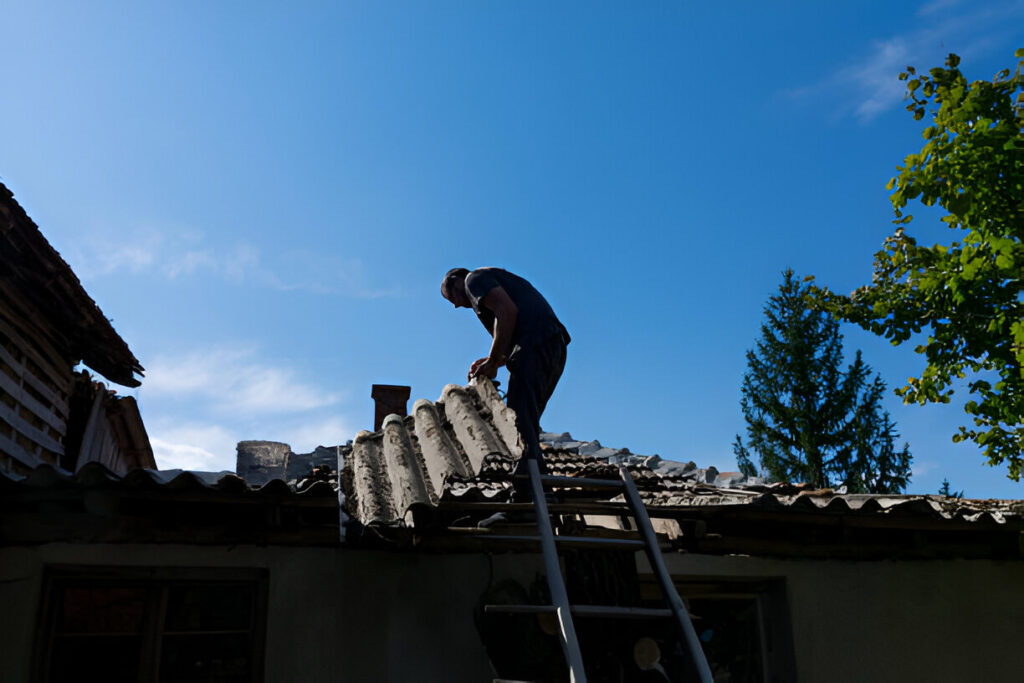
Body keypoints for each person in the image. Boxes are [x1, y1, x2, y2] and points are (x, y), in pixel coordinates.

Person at [441, 267, 570, 497]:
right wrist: (493, 361)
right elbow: (508, 333)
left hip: (537, 343)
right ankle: (536, 488)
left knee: (518, 420)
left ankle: (528, 493)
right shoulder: (489, 285)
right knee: (526, 421)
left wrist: (492, 361)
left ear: (456, 280)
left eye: (452, 297)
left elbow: (507, 312)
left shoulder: (474, 279)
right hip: (550, 346)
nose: (456, 305)